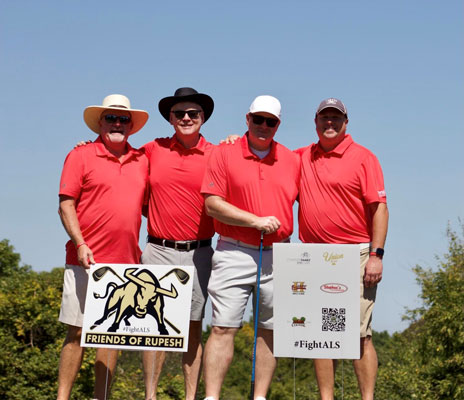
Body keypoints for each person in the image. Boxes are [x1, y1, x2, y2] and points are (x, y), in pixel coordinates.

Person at [201, 95, 300, 400]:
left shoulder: (293, 159)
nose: (263, 126)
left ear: (278, 125)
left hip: (278, 254)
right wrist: (254, 221)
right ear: (247, 119)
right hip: (234, 249)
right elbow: (212, 205)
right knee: (222, 327)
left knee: (270, 330)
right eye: (258, 119)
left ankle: (259, 397)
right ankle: (212, 397)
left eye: (270, 122)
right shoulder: (223, 152)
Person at [57, 94, 149, 400]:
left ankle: (102, 397)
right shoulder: (80, 155)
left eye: (124, 120)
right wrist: (80, 243)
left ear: (131, 126)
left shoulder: (142, 160)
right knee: (77, 332)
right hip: (85, 259)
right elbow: (66, 205)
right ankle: (62, 397)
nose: (118, 124)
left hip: (126, 263)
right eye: (111, 118)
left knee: (110, 337)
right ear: (100, 122)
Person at [297, 98, 389, 400]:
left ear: (346, 123)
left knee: (358, 334)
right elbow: (265, 155)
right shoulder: (301, 157)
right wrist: (233, 139)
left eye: (336, 118)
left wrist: (376, 255)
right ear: (315, 122)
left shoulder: (364, 157)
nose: (330, 123)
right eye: (325, 118)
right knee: (322, 334)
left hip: (357, 255)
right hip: (314, 256)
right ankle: (327, 398)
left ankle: (367, 398)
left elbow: (379, 208)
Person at [141, 87, 216, 400]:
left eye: (193, 114)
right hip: (158, 249)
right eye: (179, 114)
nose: (186, 118)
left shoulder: (218, 153)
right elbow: (118, 161)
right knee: (153, 328)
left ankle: (189, 396)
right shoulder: (151, 150)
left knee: (192, 325)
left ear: (202, 118)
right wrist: (88, 145)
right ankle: (151, 395)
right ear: (170, 119)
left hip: (199, 251)